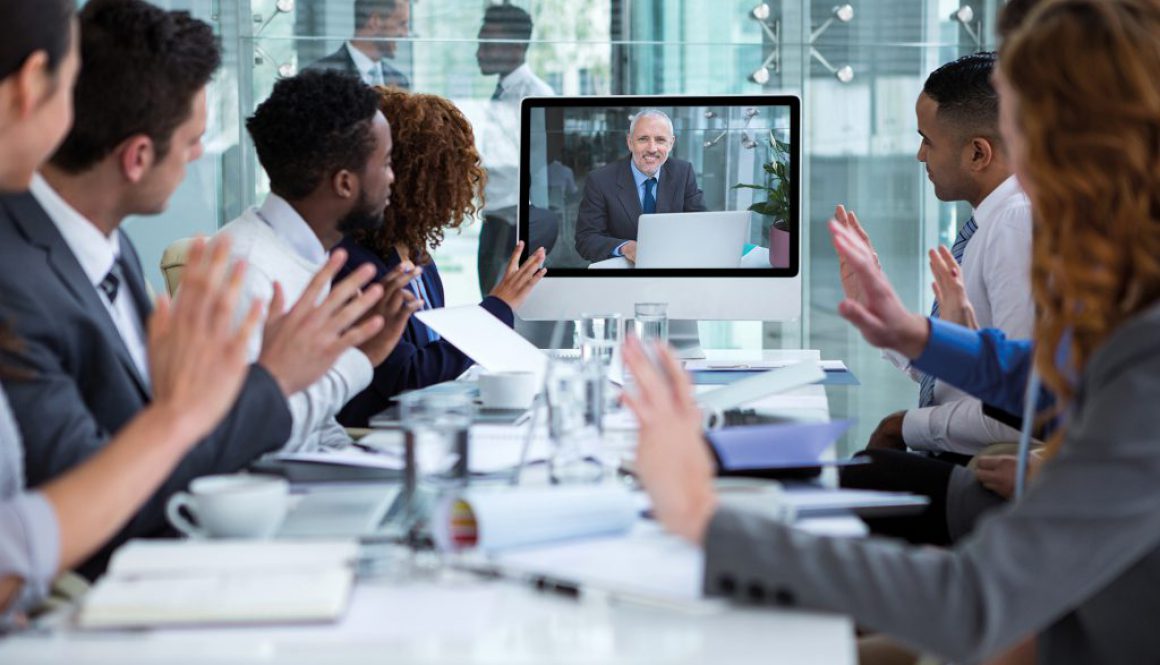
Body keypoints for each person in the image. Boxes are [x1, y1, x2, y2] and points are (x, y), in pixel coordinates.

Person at [622, 0, 1160, 662]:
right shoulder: (1134, 299)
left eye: (1028, 136)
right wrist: (913, 334)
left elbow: (971, 603)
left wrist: (702, 515)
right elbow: (1054, 377)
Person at [0, 0, 389, 579]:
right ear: (137, 158)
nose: (200, 156)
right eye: (191, 142)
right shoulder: (19, 281)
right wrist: (272, 378)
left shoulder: (107, 243)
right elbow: (94, 498)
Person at [217, 70, 419, 451]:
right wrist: (361, 357)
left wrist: (364, 460)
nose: (393, 178)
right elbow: (254, 438)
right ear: (344, 183)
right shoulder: (246, 272)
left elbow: (319, 427)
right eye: (387, 163)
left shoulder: (309, 255)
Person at [849, 51, 1033, 458]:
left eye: (927, 140)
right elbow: (958, 381)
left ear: (978, 153)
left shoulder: (1014, 225)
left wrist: (905, 426)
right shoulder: (994, 221)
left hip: (976, 468)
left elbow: (1018, 410)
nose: (920, 155)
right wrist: (882, 314)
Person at [336, 88, 546, 427]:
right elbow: (408, 375)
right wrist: (496, 310)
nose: (461, 188)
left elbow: (431, 362)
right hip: (374, 436)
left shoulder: (418, 256)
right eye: (453, 174)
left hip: (423, 426)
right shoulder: (353, 264)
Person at [474, 3, 554, 295]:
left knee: (506, 306)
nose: (478, 53)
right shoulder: (502, 92)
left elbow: (543, 170)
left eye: (487, 44)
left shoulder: (536, 96)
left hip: (516, 225)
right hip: (495, 220)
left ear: (516, 47)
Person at [573, 109, 707, 263]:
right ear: (630, 142)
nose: (652, 148)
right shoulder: (600, 180)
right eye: (643, 139)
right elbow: (586, 239)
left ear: (671, 143)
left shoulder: (683, 173)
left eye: (660, 140)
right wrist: (625, 247)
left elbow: (701, 226)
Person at [308, 0, 410, 89]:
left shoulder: (400, 81)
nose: (405, 34)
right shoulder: (318, 77)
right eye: (401, 24)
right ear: (375, 21)